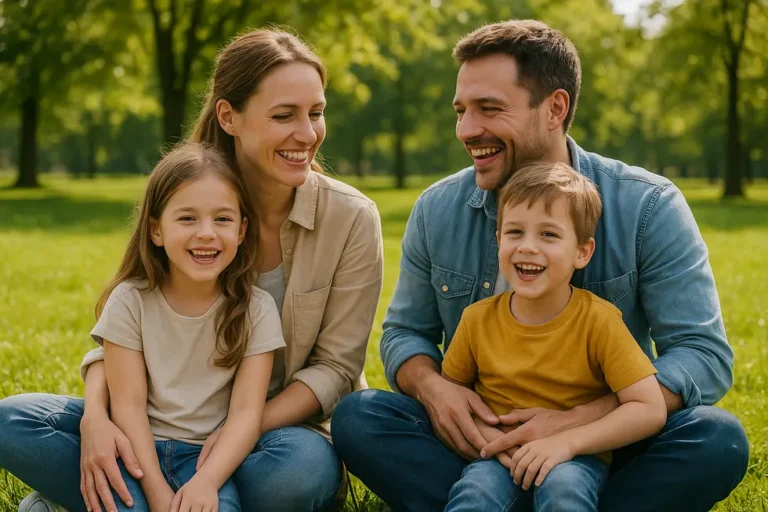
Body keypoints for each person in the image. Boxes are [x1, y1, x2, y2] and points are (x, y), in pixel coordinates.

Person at [332, 19, 749, 512]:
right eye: (461, 111)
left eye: (489, 109)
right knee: (360, 416)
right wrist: (435, 390)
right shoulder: (436, 208)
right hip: (483, 444)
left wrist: (577, 424)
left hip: (605, 444)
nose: (467, 130)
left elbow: (702, 354)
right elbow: (404, 334)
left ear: (554, 108)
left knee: (716, 437)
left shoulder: (648, 205)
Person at [0, 28, 383, 512]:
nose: (307, 134)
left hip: (273, 436)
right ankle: (126, 489)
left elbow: (337, 368)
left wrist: (238, 433)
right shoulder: (187, 198)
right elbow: (128, 328)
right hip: (153, 425)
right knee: (12, 419)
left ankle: (103, 498)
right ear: (229, 116)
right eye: (283, 115)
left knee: (299, 472)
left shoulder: (350, 218)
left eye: (316, 113)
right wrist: (97, 417)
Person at [441, 161, 666, 511]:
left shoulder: (600, 321)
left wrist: (569, 443)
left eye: (548, 234)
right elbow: (452, 397)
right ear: (499, 239)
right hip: (497, 456)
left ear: (582, 252)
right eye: (515, 232)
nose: (528, 247)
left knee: (564, 491)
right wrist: (494, 444)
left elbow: (649, 408)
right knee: (475, 494)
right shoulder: (476, 320)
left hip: (574, 456)